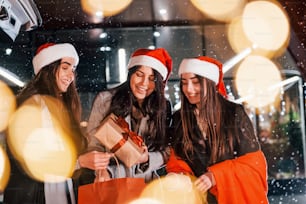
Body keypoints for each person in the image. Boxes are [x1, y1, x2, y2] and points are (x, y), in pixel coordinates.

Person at [166, 56, 268, 203]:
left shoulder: (234, 114)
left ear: (211, 83)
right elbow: (177, 162)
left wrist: (216, 176)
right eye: (184, 83)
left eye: (195, 82)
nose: (188, 89)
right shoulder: (179, 119)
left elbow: (254, 164)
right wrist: (177, 176)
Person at [4, 42, 88, 204]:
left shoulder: (62, 108)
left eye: (73, 70)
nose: (71, 76)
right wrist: (80, 162)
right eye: (65, 67)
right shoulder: (27, 106)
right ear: (48, 68)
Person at [77, 48, 173, 183]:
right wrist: (102, 171)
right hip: (111, 180)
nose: (144, 83)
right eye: (139, 74)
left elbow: (168, 151)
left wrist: (147, 158)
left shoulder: (163, 106)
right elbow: (94, 144)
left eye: (152, 79)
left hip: (148, 186)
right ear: (130, 74)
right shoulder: (105, 99)